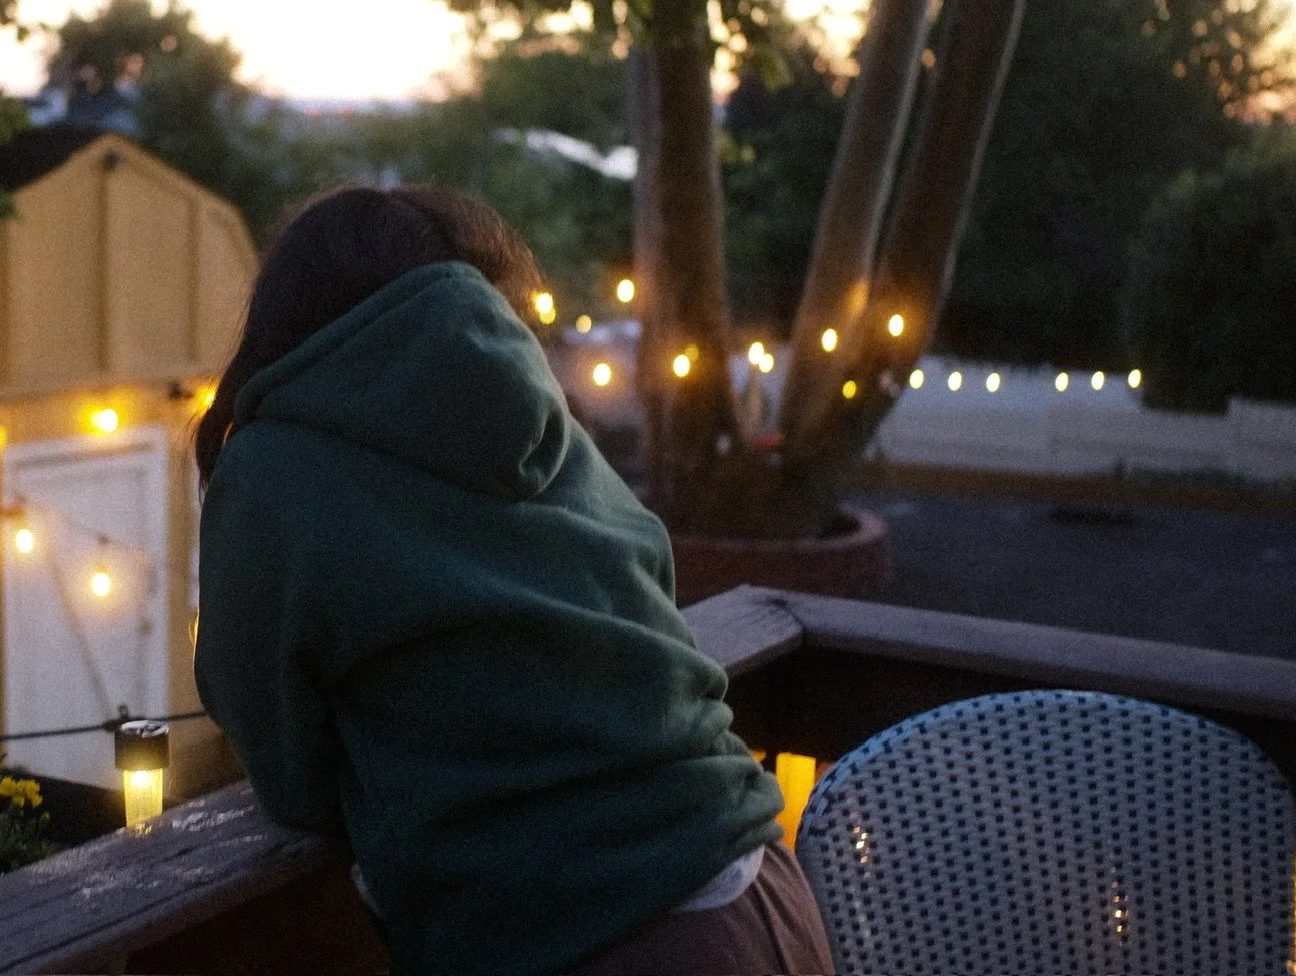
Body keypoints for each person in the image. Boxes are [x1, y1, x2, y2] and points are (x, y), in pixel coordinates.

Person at [193, 186, 834, 976]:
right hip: (759, 885)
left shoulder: (272, 470)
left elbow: (285, 767)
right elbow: (649, 580)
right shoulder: (545, 420)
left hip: (589, 930)